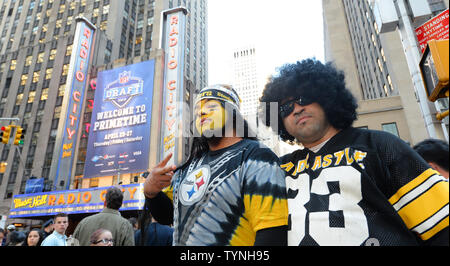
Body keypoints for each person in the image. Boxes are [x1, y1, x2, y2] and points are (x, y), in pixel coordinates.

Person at [259, 58, 449, 246]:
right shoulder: (277, 169)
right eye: (285, 108)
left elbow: (442, 226)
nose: (297, 110)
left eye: (303, 98)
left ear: (325, 96)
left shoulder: (380, 146)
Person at [144, 84, 288, 246]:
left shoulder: (257, 157)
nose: (201, 112)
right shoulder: (188, 167)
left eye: (211, 106)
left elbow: (272, 234)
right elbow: (169, 216)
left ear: (233, 114)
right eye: (197, 110)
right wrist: (151, 193)